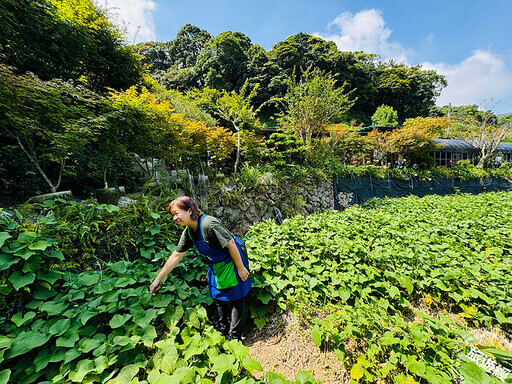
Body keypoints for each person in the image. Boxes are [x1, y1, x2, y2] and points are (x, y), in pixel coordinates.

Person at [150, 196, 251, 341]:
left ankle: (234, 337)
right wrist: (158, 279)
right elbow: (176, 255)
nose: (174, 218)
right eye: (172, 215)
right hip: (216, 267)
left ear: (190, 211)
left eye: (177, 213)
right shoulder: (189, 231)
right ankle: (222, 330)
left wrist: (240, 267)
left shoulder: (208, 224)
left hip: (233, 262)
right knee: (218, 297)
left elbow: (231, 244)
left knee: (236, 298)